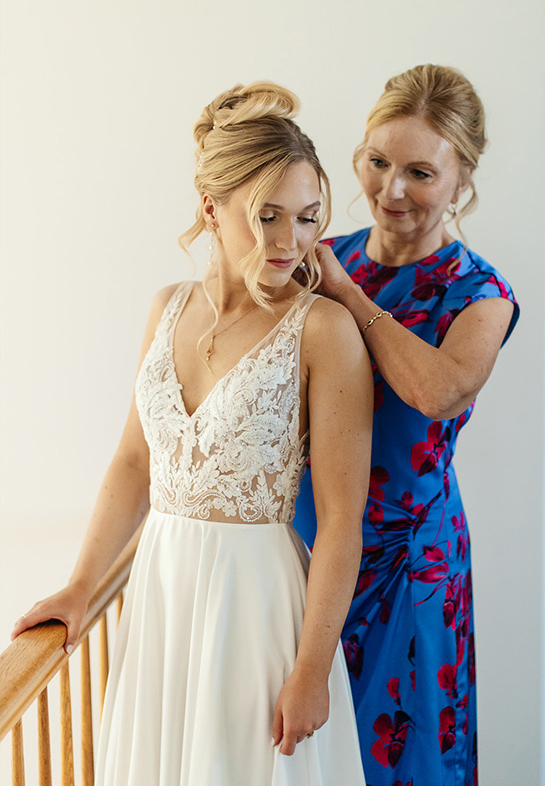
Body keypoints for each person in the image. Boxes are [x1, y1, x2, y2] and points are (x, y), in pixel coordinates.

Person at [11, 82, 373, 783]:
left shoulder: (324, 329)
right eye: (267, 216)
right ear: (212, 207)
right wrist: (81, 585)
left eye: (305, 218)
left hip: (256, 607)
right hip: (162, 594)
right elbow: (132, 463)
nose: (290, 241)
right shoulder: (166, 308)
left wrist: (311, 668)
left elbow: (340, 520)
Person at [292, 65, 518, 786]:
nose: (391, 190)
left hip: (407, 562)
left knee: (403, 761)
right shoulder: (331, 256)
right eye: (377, 162)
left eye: (419, 171)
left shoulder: (481, 293)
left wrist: (350, 297)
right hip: (310, 541)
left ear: (462, 177)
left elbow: (439, 392)